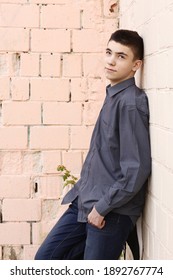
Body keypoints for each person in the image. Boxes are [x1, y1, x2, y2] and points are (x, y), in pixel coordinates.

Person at [35, 29, 151, 260]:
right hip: (86, 201)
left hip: (111, 211)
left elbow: (136, 169)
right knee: (45, 260)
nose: (111, 60)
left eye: (121, 56)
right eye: (109, 52)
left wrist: (102, 207)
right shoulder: (113, 95)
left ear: (136, 65)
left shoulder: (129, 104)